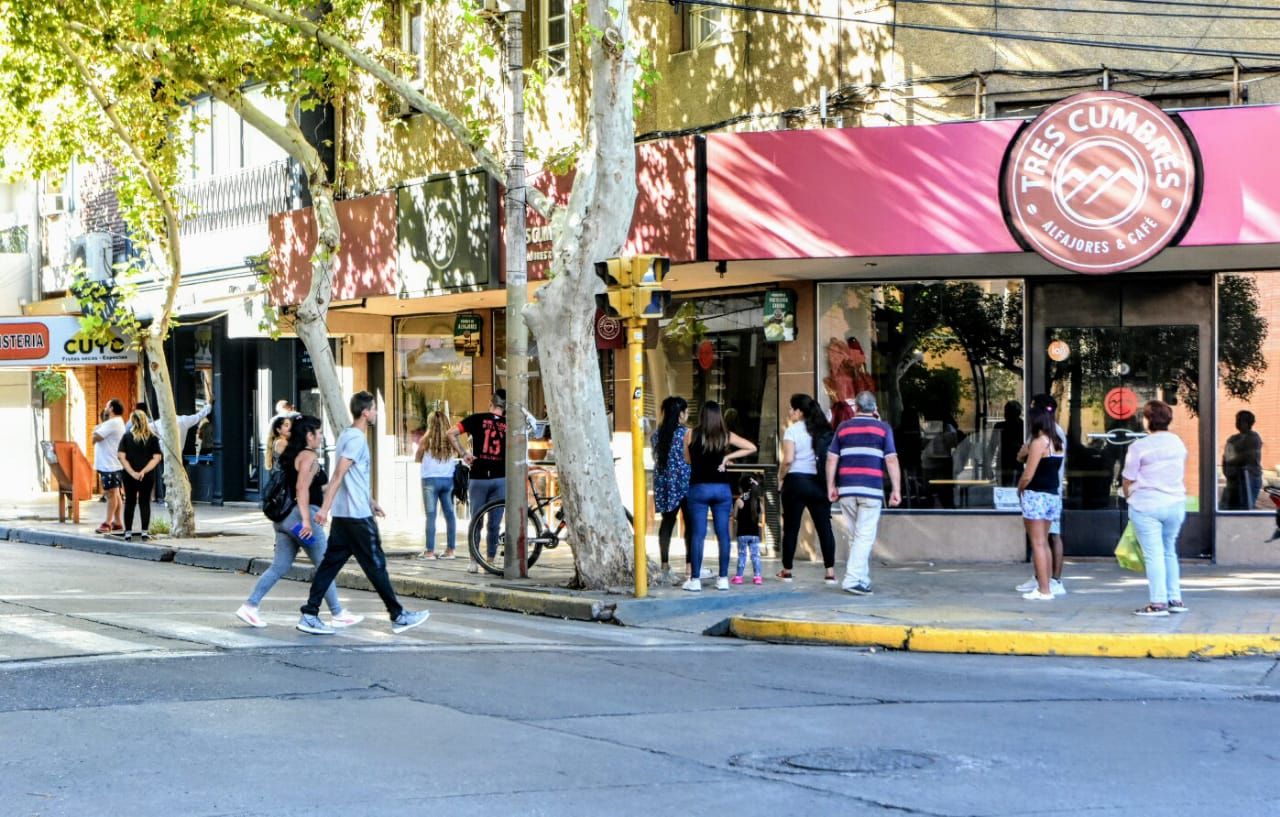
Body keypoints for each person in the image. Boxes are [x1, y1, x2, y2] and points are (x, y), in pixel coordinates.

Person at [300, 391, 430, 635]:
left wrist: (370, 501)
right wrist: (324, 509)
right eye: (373, 409)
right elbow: (338, 475)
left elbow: (353, 477)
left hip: (346, 515)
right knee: (376, 565)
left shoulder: (346, 436)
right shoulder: (356, 440)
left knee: (329, 566)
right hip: (356, 518)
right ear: (365, 412)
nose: (376, 413)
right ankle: (398, 615)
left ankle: (310, 612)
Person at [236, 416, 362, 629]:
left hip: (285, 521)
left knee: (280, 566)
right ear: (309, 435)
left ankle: (250, 606)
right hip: (301, 519)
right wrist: (306, 521)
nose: (321, 437)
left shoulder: (294, 454)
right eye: (318, 433)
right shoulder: (308, 456)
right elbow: (301, 489)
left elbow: (311, 487)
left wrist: (338, 485)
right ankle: (337, 613)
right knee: (325, 565)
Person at [827, 391, 901, 596]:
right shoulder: (883, 428)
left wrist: (831, 486)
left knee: (856, 537)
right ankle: (852, 580)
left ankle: (862, 579)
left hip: (847, 490)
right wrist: (896, 489)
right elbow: (891, 459)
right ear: (875, 408)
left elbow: (832, 458)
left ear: (856, 408)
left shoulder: (843, 428)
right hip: (871, 490)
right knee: (864, 537)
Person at [1121, 400, 1189, 617]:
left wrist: (1128, 496)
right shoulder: (1177, 443)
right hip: (1175, 504)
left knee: (1153, 554)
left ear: (1147, 420)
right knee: (1169, 550)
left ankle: (1157, 603)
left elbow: (1128, 478)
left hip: (1146, 504)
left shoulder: (1139, 446)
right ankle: (1174, 599)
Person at [681, 401, 757, 592]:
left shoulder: (690, 434)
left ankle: (695, 580)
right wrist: (727, 457)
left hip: (698, 488)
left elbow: (687, 460)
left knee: (698, 534)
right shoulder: (726, 435)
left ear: (701, 415)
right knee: (723, 534)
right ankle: (723, 579)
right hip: (722, 489)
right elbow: (751, 447)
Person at [777, 393, 837, 584]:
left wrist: (780, 477)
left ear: (799, 411)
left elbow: (787, 460)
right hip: (818, 483)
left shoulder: (792, 431)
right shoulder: (824, 430)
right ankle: (830, 572)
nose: (789, 412)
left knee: (791, 527)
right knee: (824, 527)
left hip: (795, 481)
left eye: (791, 408)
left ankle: (787, 570)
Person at [449, 389, 507, 573]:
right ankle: (490, 561)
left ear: (491, 403)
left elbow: (450, 433)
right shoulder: (509, 424)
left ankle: (473, 561)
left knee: (476, 521)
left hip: (478, 478)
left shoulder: (477, 419)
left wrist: (464, 453)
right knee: (494, 524)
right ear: (505, 408)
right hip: (501, 478)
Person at [1016, 394, 1068, 595]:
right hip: (1052, 494)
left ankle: (1044, 588)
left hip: (1036, 495)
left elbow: (1028, 474)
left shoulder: (1039, 442)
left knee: (1037, 543)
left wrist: (1020, 487)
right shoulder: (1057, 441)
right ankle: (1047, 584)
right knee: (1045, 541)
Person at [133, 398, 214, 504]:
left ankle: (168, 500)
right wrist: (209, 405)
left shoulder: (159, 423)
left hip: (165, 454)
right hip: (178, 455)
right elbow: (199, 415)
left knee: (166, 477)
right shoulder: (183, 420)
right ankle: (181, 499)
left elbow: (142, 430)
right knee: (180, 478)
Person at [651, 396, 693, 583]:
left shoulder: (657, 435)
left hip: (665, 483)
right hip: (685, 482)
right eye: (686, 411)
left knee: (667, 523)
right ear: (680, 414)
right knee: (690, 525)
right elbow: (690, 457)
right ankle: (689, 567)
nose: (687, 414)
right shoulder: (687, 434)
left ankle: (665, 566)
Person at [415, 409, 458, 559]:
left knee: (431, 516)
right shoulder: (451, 439)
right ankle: (450, 550)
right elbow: (458, 452)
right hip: (447, 480)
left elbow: (417, 458)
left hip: (430, 480)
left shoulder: (426, 440)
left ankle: (429, 552)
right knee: (450, 515)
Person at [116, 409, 162, 542]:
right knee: (145, 502)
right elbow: (157, 458)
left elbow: (121, 456)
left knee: (130, 502)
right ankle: (144, 532)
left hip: (129, 476)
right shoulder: (153, 438)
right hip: (147, 476)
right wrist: (143, 472)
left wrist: (132, 472)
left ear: (132, 421)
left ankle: (128, 533)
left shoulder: (126, 437)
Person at [92, 399, 126, 534]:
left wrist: (96, 430)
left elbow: (96, 437)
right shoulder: (116, 422)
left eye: (107, 406)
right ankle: (117, 521)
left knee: (111, 494)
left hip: (109, 464)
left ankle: (107, 522)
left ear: (111, 408)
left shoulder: (112, 423)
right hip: (112, 463)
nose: (105, 408)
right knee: (116, 493)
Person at [1222, 410, 1263, 511]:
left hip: (1248, 480)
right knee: (1227, 509)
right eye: (1237, 420)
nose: (1237, 423)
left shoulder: (1254, 438)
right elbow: (1227, 458)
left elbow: (1248, 457)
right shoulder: (1233, 438)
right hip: (1233, 480)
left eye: (1240, 420)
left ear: (1248, 423)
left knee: (1244, 510)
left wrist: (1234, 459)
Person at [732, 473, 765, 585]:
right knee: (755, 556)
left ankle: (739, 577)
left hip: (742, 534)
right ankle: (757, 577)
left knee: (742, 555)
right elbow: (761, 513)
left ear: (741, 487)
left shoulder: (739, 501)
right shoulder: (757, 501)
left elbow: (735, 516)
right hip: (754, 534)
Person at [988, 400, 1024, 487]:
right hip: (1006, 465)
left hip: (1012, 465)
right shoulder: (1022, 426)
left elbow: (991, 447)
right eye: (1006, 412)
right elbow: (991, 447)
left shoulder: (1022, 426)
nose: (1005, 414)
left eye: (1008, 412)